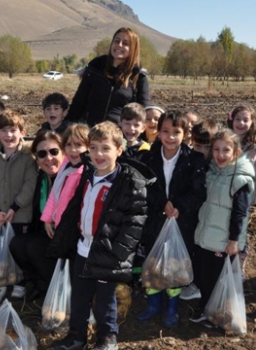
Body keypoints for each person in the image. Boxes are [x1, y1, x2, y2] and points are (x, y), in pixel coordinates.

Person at [49, 121, 154, 350]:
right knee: (79, 298)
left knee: (105, 301)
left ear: (119, 150)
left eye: (105, 148)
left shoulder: (128, 183)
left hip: (108, 253)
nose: (98, 154)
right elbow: (77, 207)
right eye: (94, 147)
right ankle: (76, 337)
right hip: (82, 249)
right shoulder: (88, 175)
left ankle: (107, 338)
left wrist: (118, 252)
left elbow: (135, 222)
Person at [136, 111, 206, 327]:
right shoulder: (148, 157)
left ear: (185, 134)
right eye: (165, 131)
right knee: (154, 262)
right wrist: (161, 203)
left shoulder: (194, 160)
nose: (170, 137)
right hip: (155, 221)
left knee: (175, 264)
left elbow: (199, 191)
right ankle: (154, 304)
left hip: (181, 222)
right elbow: (144, 186)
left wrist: (178, 207)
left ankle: (172, 308)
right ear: (158, 132)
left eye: (176, 132)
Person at [190, 130, 255, 328]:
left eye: (226, 150)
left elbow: (240, 214)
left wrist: (234, 241)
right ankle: (206, 309)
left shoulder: (240, 179)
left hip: (224, 241)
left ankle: (219, 316)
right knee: (203, 276)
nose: (220, 154)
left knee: (217, 280)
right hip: (207, 236)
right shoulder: (212, 173)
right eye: (216, 149)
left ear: (235, 152)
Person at [8, 128, 81, 300]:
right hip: (48, 234)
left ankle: (58, 290)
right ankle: (39, 283)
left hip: (69, 239)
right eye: (42, 154)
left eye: (54, 151)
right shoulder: (41, 178)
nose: (48, 158)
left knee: (34, 248)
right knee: (17, 244)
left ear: (63, 152)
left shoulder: (71, 176)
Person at [0, 110, 37, 301]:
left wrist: (15, 207)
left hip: (20, 215)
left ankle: (19, 281)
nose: (9, 135)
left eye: (13, 130)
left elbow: (30, 185)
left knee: (18, 250)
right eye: (3, 130)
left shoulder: (28, 158)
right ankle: (0, 281)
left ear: (22, 132)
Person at [66, 27, 150, 126]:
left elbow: (143, 113)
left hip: (119, 136)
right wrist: (66, 128)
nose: (119, 45)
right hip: (89, 132)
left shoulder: (138, 77)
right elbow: (78, 103)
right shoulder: (94, 70)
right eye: (117, 41)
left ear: (133, 48)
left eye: (125, 43)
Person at [227, 104, 256, 276]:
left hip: (245, 195)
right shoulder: (225, 139)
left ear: (252, 122)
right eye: (238, 119)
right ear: (231, 120)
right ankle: (224, 263)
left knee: (241, 229)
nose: (241, 123)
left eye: (246, 120)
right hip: (224, 195)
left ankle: (239, 266)